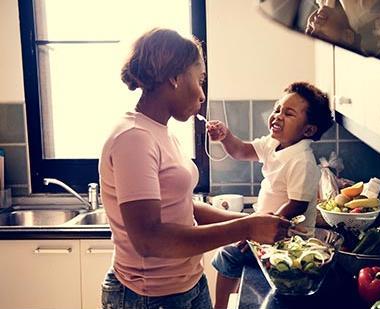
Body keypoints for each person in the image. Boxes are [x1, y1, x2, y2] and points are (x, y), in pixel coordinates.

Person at [98, 28, 291, 309]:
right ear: (175, 77)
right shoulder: (133, 138)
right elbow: (149, 240)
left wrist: (250, 221)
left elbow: (182, 207)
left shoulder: (161, 132)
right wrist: (246, 227)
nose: (201, 94)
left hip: (188, 284)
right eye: (199, 79)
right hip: (149, 297)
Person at [207, 82, 334, 309]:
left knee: (228, 254)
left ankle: (219, 306)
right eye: (278, 109)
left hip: (288, 239)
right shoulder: (273, 143)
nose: (278, 116)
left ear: (308, 130)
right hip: (265, 229)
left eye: (289, 113)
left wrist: (259, 229)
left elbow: (297, 205)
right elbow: (241, 150)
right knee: (232, 253)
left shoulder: (302, 160)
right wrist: (226, 136)